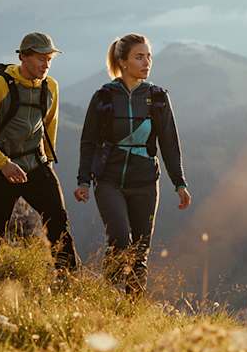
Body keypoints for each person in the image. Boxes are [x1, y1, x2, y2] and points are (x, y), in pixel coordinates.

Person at [74, 33, 191, 295]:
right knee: (119, 240)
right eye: (139, 57)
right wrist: (83, 180)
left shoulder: (158, 98)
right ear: (123, 61)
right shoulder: (104, 97)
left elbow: (169, 143)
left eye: (149, 56)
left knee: (140, 250)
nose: (147, 62)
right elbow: (88, 141)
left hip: (146, 182)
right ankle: (108, 294)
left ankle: (131, 308)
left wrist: (179, 183)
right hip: (109, 180)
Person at [0, 32, 79, 272]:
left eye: (49, 58)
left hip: (36, 166)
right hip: (2, 169)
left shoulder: (51, 86)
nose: (46, 64)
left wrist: (48, 162)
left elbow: (50, 124)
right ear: (23, 57)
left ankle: (68, 278)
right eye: (41, 58)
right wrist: (3, 164)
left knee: (58, 221)